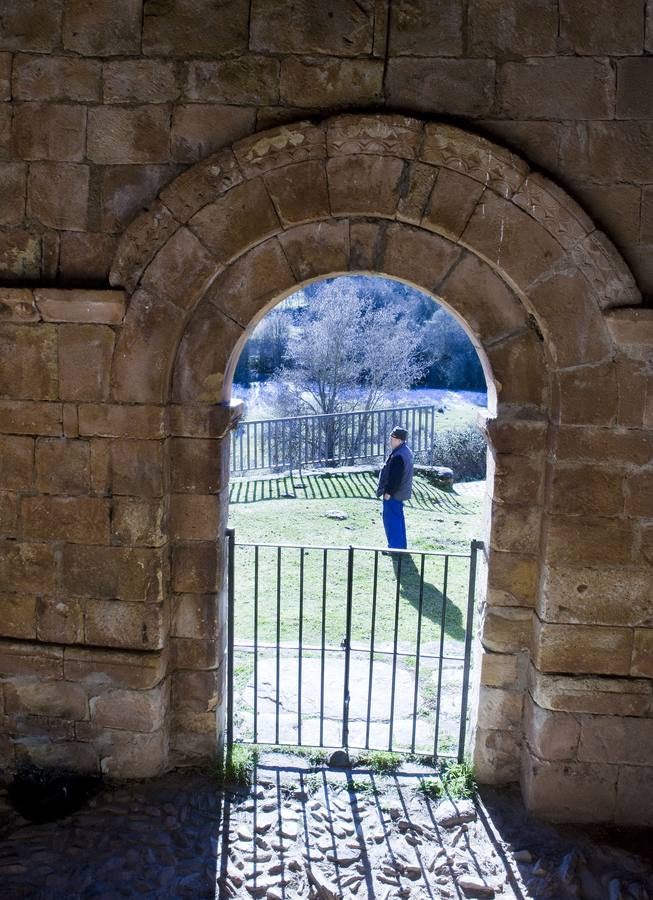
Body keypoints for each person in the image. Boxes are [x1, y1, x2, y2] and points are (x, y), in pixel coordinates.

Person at [376, 426, 414, 550]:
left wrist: (388, 492)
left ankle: (394, 548)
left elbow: (395, 478)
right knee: (398, 519)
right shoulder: (405, 451)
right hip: (400, 494)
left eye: (392, 438)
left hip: (394, 494)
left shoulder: (398, 455)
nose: (390, 441)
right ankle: (400, 547)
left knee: (391, 521)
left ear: (399, 439)